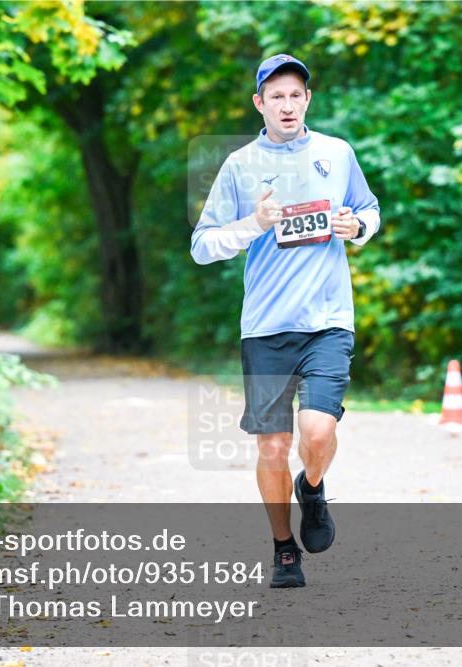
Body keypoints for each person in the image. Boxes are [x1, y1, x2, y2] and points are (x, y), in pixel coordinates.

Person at [190, 54, 380, 588]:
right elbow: (203, 246)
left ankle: (313, 486)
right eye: (277, 96)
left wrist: (355, 225)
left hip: (327, 318)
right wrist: (253, 223)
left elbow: (370, 210)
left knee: (316, 432)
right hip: (266, 327)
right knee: (271, 446)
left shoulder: (337, 154)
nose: (288, 104)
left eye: (296, 95)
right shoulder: (239, 165)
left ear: (308, 101)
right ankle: (282, 549)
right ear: (260, 104)